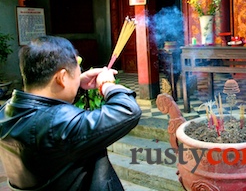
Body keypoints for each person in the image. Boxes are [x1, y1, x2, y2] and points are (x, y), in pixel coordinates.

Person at [0, 36, 142, 190]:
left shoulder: (8, 111)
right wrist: (107, 85)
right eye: (77, 70)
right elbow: (128, 110)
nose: (79, 74)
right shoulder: (57, 123)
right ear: (61, 77)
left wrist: (77, 84)